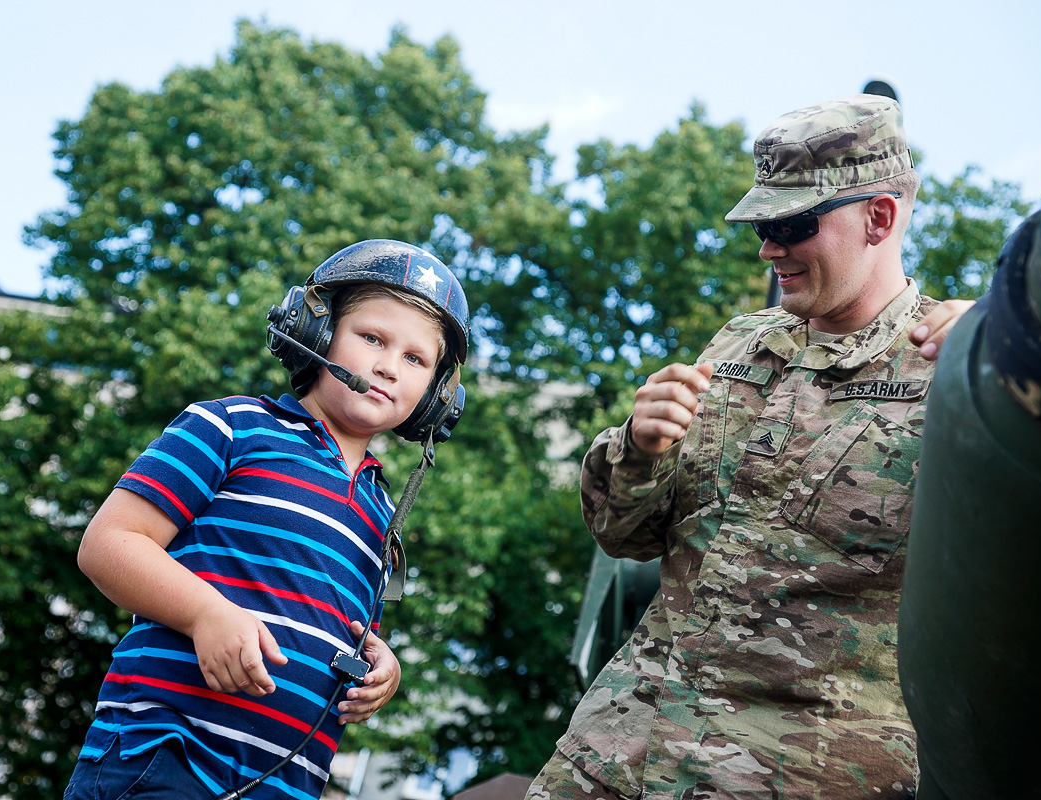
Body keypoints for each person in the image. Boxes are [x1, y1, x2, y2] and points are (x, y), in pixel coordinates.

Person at [527, 95, 972, 800]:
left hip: (797, 775)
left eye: (792, 224)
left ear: (879, 218)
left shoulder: (956, 371)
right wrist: (641, 448)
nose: (768, 249)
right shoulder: (741, 344)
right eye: (764, 224)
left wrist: (1019, 373)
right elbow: (626, 537)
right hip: (616, 757)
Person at [63, 239, 470, 800]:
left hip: (284, 786)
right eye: (372, 338)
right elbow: (108, 545)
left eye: (415, 359)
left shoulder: (383, 514)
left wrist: (383, 669)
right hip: (161, 760)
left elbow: (345, 633)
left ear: (437, 397)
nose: (387, 366)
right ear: (315, 333)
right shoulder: (232, 427)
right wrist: (207, 614)